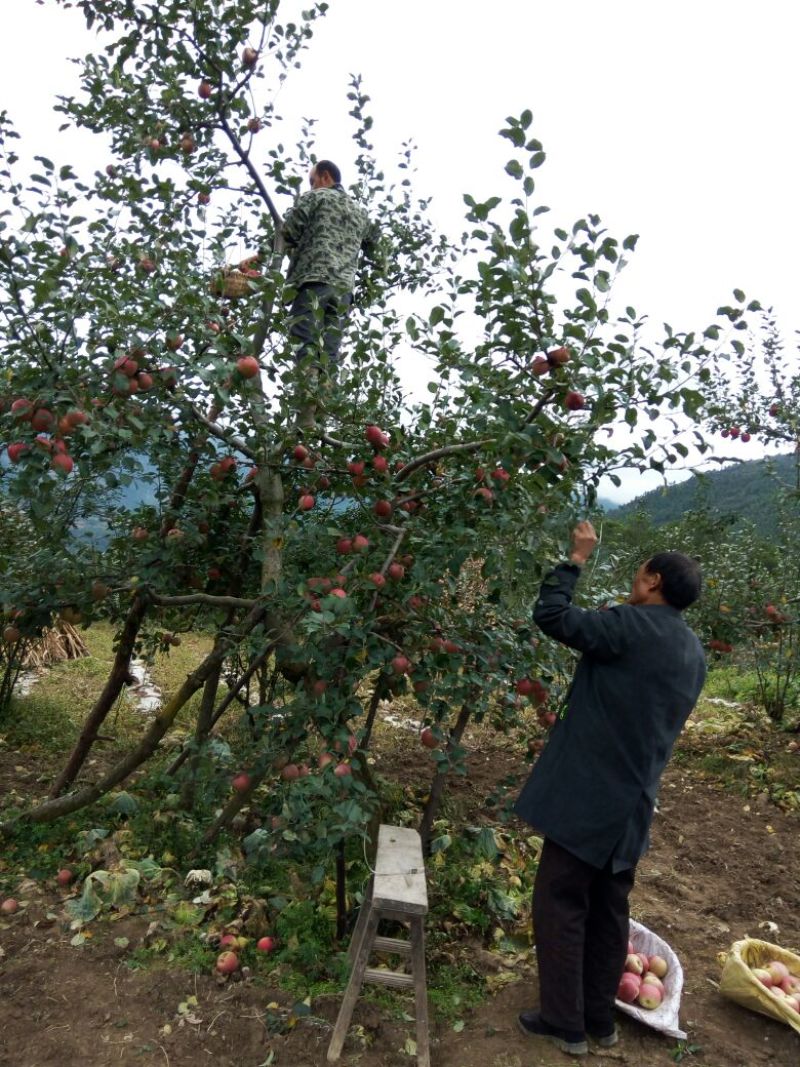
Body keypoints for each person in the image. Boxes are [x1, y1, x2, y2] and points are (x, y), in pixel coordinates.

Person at [513, 520, 706, 1057]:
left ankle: (563, 1022)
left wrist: (574, 558)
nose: (633, 581)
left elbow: (551, 615)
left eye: (640, 573)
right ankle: (600, 1020)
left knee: (560, 901)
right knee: (607, 910)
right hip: (633, 805)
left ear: (654, 583)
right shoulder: (693, 654)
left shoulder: (628, 626)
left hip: (587, 801)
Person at [281, 159, 378, 368]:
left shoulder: (317, 196)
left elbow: (288, 232)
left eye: (312, 181)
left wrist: (259, 257)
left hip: (315, 280)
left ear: (325, 177)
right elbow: (378, 252)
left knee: (302, 336)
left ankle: (307, 391)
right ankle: (326, 395)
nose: (311, 186)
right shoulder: (360, 213)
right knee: (329, 350)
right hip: (343, 291)